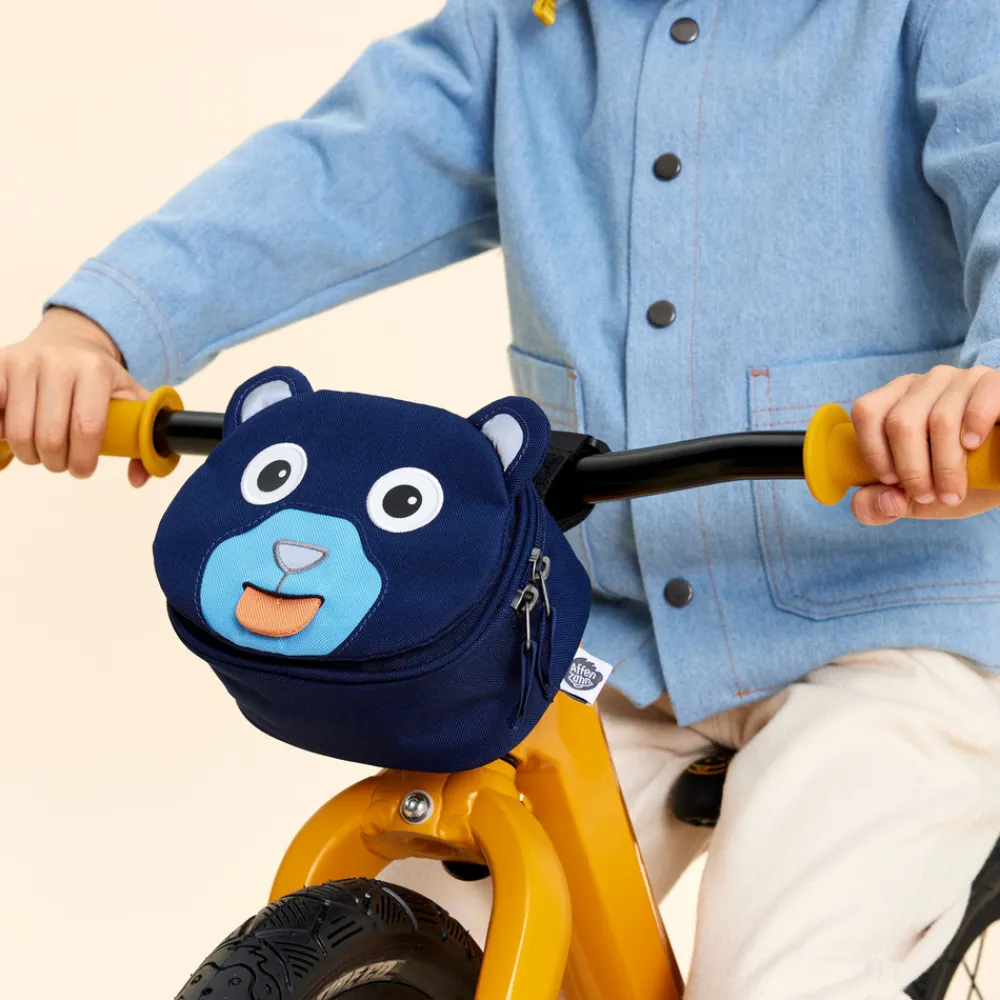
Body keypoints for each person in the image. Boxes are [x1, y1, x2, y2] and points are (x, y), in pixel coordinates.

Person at [4, 1, 1000, 996]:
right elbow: (337, 171)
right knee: (431, 934)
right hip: (601, 636)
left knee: (785, 979)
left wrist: (983, 383)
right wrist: (103, 324)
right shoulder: (524, 27)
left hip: (896, 627)